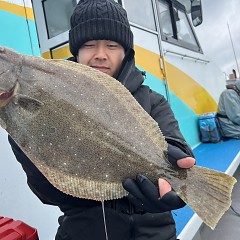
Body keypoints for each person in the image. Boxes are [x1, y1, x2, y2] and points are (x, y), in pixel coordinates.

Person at [8, 0, 196, 239]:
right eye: (89, 45)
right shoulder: (48, 103)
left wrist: (178, 178)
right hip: (81, 230)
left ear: (126, 51)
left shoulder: (153, 101)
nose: (100, 55)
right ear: (76, 51)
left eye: (111, 45)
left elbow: (177, 148)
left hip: (154, 232)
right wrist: (25, 139)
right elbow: (50, 194)